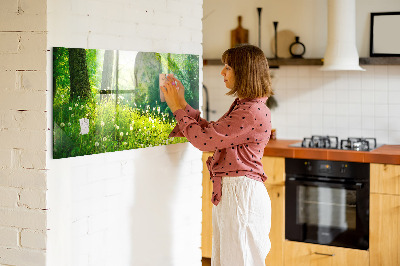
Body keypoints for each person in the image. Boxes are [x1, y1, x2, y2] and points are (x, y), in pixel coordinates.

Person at [160, 44, 273, 266]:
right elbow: (212, 133)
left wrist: (176, 108)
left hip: (241, 196)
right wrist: (182, 104)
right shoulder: (246, 106)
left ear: (244, 71)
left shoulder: (250, 111)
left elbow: (204, 141)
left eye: (228, 67)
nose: (222, 72)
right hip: (236, 194)